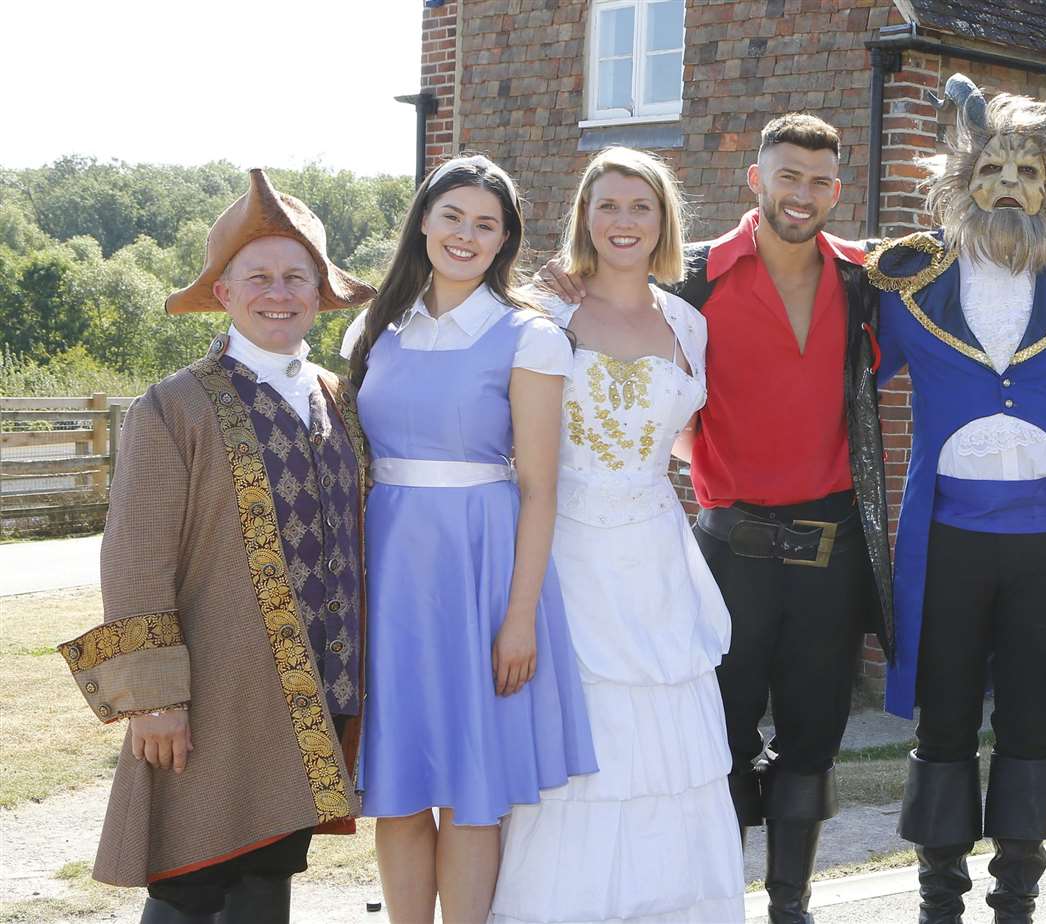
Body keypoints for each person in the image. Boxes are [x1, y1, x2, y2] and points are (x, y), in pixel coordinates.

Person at [540, 114, 892, 924]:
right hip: (727, 553)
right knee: (715, 742)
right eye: (786, 176)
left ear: (837, 190)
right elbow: (617, 320)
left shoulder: (861, 281)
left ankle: (791, 907)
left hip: (829, 554)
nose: (801, 194)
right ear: (756, 180)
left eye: (819, 181)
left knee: (812, 740)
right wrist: (566, 280)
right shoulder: (693, 283)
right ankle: (712, 900)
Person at [60, 168, 376, 923]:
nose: (279, 291)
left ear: (320, 293)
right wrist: (154, 699)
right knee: (190, 877)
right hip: (211, 689)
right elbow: (136, 557)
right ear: (225, 293)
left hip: (314, 683)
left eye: (296, 276)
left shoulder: (339, 397)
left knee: (271, 869)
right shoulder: (175, 405)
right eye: (258, 276)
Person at [865, 73, 1046, 924]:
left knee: (1027, 725)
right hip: (947, 543)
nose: (1009, 187)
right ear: (962, 180)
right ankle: (940, 901)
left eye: (1027, 174)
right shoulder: (908, 285)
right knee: (941, 722)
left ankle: (1017, 902)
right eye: (992, 172)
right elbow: (852, 378)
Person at [487, 147, 744, 924]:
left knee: (667, 753)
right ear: (584, 219)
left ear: (664, 220)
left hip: (656, 560)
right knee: (581, 747)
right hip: (563, 556)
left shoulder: (690, 325)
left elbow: (678, 438)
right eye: (608, 206)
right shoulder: (542, 313)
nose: (623, 221)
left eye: (640, 206)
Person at [343, 154, 596, 923]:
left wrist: (518, 617)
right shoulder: (372, 327)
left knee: (472, 793)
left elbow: (540, 488)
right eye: (452, 215)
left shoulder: (530, 334)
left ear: (505, 240)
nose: (465, 234)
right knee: (400, 788)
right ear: (423, 219)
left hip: (481, 575)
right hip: (387, 577)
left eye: (485, 224)